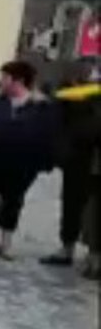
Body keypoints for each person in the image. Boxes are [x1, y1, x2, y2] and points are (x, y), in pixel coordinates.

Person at [0, 61, 57, 259]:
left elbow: (49, 137)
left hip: (21, 166)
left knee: (13, 203)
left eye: (4, 78)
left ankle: (6, 244)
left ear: (18, 80)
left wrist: (44, 163)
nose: (1, 81)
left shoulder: (41, 108)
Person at [41, 59, 101, 272]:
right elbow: (59, 115)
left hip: (93, 158)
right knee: (72, 204)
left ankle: (93, 255)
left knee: (94, 210)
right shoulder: (75, 90)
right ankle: (68, 248)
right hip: (78, 157)